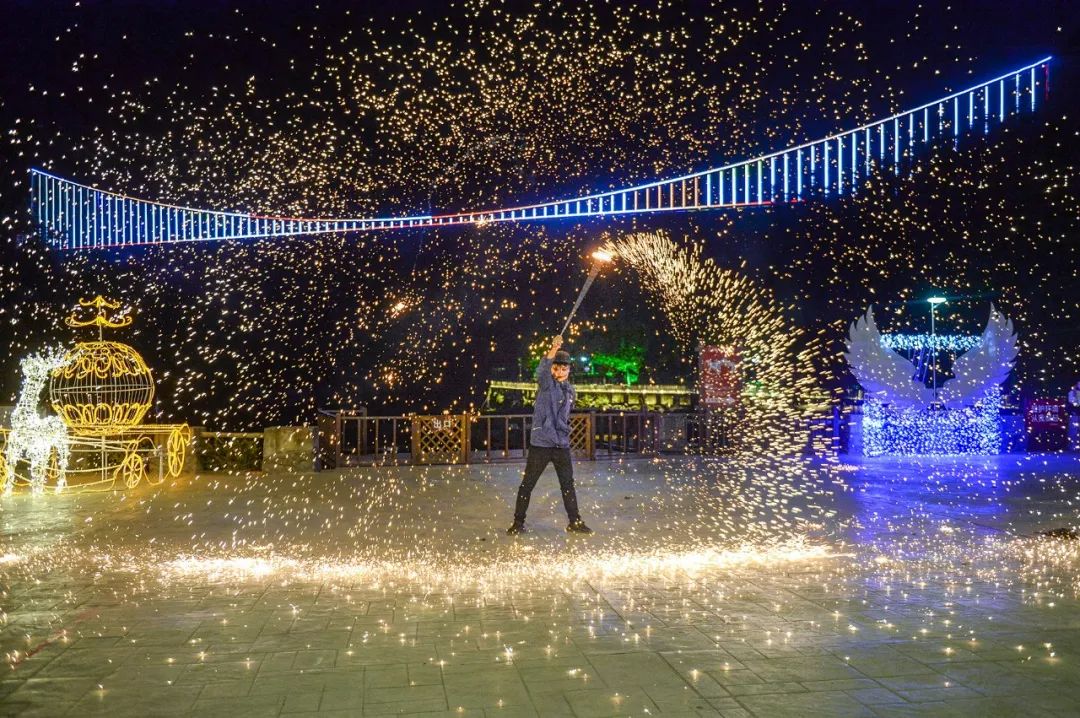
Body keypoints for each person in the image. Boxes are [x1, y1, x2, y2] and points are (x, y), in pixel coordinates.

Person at [507, 335, 593, 535]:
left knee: (567, 485)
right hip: (541, 443)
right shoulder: (546, 384)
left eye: (564, 369)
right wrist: (554, 348)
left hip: (561, 444)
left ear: (569, 370)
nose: (559, 372)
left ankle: (575, 522)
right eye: (556, 368)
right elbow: (542, 369)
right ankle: (518, 523)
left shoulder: (570, 390)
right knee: (527, 484)